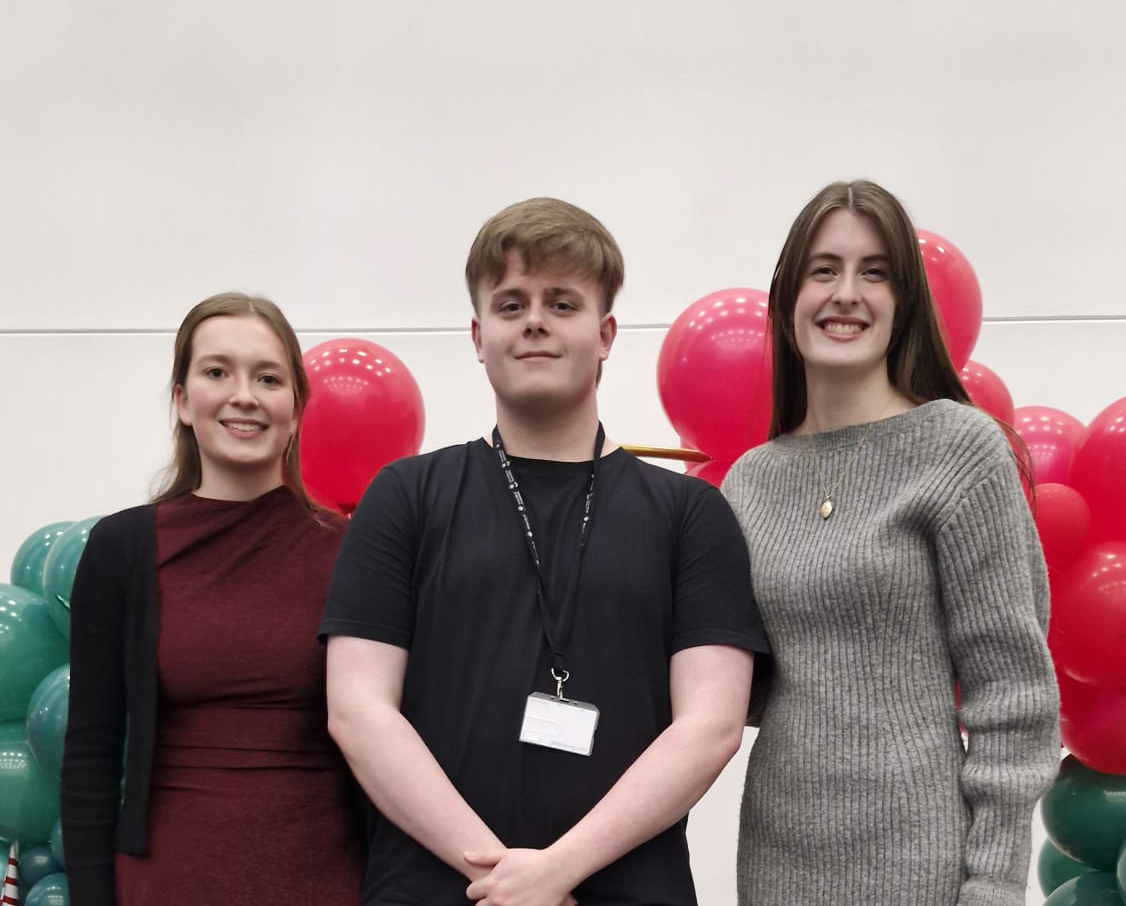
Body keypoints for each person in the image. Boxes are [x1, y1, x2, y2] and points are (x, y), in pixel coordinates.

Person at [321, 197, 771, 906]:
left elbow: (710, 726)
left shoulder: (691, 514)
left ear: (606, 332)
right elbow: (357, 709)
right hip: (436, 889)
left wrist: (556, 872)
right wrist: (499, 876)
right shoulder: (404, 496)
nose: (534, 320)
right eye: (510, 304)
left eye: (562, 302)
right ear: (477, 335)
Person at [722, 180, 1059, 906]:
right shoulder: (749, 481)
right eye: (824, 270)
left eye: (875, 272)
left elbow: (1014, 697)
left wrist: (994, 888)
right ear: (787, 301)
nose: (847, 293)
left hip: (923, 868)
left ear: (903, 302)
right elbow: (738, 690)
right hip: (776, 862)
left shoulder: (959, 450)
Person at [61, 292, 365, 906]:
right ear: (181, 399)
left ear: (297, 407)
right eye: (217, 371)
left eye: (268, 377)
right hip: (168, 881)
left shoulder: (355, 551)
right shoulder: (123, 548)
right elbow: (91, 756)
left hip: (327, 882)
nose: (244, 395)